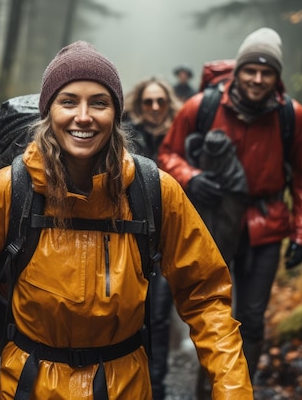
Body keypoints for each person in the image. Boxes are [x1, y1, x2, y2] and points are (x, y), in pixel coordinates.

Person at [0, 40, 253, 399]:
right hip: (31, 387)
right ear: (48, 111)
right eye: (68, 101)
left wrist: (234, 391)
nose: (83, 116)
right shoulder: (7, 191)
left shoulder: (153, 190)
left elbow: (207, 298)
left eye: (99, 103)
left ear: (115, 114)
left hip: (125, 388)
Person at [158, 27, 302, 391]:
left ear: (277, 77)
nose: (258, 79)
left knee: (251, 316)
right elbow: (167, 154)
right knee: (211, 311)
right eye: (251, 70)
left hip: (267, 228)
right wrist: (191, 177)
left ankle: (238, 390)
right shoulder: (202, 106)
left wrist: (301, 233)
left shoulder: (292, 116)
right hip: (214, 223)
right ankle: (207, 388)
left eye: (267, 73)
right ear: (238, 69)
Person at [123, 77, 181, 400]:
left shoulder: (182, 137)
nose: (156, 108)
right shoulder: (127, 136)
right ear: (139, 104)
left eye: (161, 101)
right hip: (130, 240)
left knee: (158, 317)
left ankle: (156, 386)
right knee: (129, 314)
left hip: (166, 243)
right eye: (149, 102)